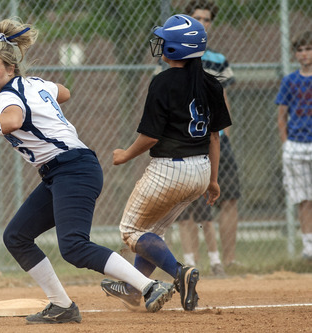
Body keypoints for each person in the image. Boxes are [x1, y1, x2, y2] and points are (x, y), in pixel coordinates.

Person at [0, 18, 175, 324]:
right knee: (16, 236)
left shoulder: (9, 95)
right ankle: (61, 305)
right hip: (62, 172)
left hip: (72, 170)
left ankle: (149, 286)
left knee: (74, 246)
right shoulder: (33, 84)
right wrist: (40, 97)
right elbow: (63, 92)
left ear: (10, 69)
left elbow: (10, 122)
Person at [99, 14, 232, 312]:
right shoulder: (211, 83)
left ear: (176, 49)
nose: (160, 44)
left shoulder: (162, 82)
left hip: (170, 170)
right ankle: (135, 290)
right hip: (200, 170)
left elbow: (149, 137)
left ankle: (179, 274)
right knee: (152, 231)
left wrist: (124, 155)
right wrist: (212, 180)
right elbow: (215, 138)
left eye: (165, 41)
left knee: (131, 231)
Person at [175, 0, 242, 273]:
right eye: (197, 18)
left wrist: (225, 133)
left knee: (228, 197)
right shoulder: (172, 55)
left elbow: (224, 99)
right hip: (188, 142)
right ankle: (193, 263)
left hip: (217, 140)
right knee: (185, 202)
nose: (203, 23)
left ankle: (227, 262)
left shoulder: (218, 60)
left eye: (207, 19)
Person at [275, 31, 312, 261]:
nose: (304, 54)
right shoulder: (290, 81)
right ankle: (308, 247)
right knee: (304, 198)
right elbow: (281, 115)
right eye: (299, 50)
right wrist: (286, 143)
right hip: (297, 144)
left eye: (308, 49)